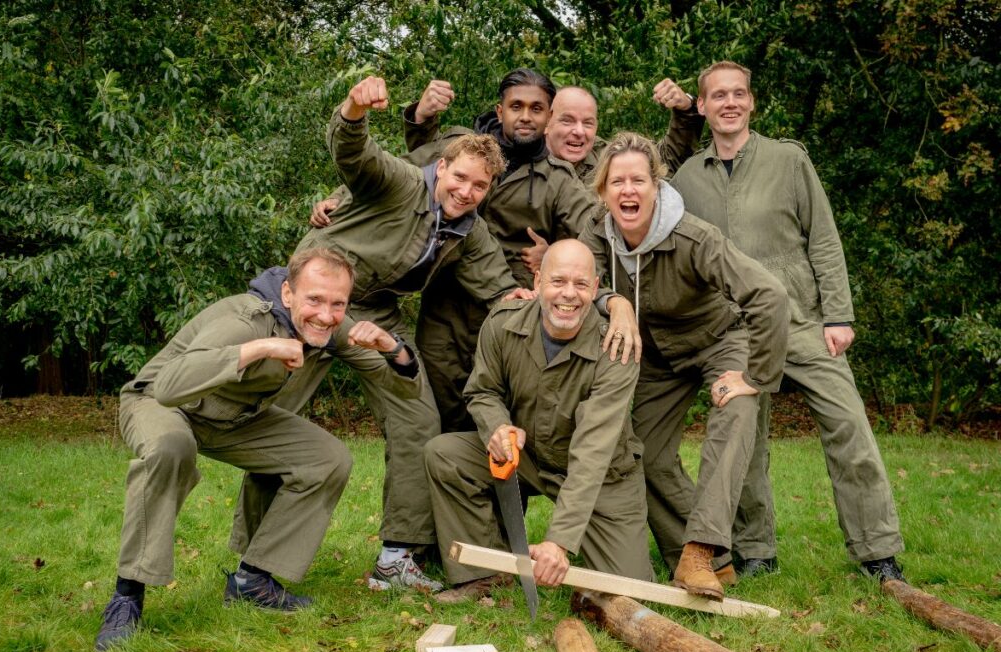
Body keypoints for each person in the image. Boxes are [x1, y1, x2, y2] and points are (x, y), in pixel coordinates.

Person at [95, 248, 423, 652]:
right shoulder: (243, 321)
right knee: (170, 447)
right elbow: (168, 386)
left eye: (338, 303)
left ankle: (254, 580)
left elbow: (405, 387)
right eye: (315, 300)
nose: (326, 314)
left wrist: (394, 348)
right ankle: (128, 596)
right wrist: (260, 348)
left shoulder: (331, 328)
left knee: (327, 459)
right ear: (288, 294)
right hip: (165, 407)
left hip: (235, 419)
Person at [670, 61, 906, 581]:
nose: (729, 103)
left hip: (802, 322)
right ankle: (756, 551)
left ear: (752, 102)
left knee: (849, 429)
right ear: (703, 107)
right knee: (745, 441)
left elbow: (823, 237)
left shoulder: (788, 159)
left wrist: (838, 314)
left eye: (739, 94)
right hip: (734, 331)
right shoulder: (688, 177)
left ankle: (876, 552)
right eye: (718, 96)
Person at [295, 76, 532, 592]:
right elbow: (356, 153)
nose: (465, 192)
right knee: (280, 407)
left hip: (372, 310)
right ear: (441, 167)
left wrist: (554, 297)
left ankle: (396, 558)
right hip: (315, 299)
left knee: (417, 413)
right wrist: (355, 108)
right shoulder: (401, 182)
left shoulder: (469, 230)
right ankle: (257, 562)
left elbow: (501, 289)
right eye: (460, 178)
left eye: (478, 187)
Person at [581, 132, 788, 600]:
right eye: (617, 182)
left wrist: (757, 377)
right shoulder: (596, 231)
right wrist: (613, 301)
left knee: (734, 413)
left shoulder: (694, 235)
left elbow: (768, 295)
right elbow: (584, 278)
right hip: (659, 356)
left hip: (720, 340)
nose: (628, 191)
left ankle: (698, 551)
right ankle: (716, 562)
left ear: (656, 186)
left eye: (638, 180)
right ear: (603, 190)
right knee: (644, 454)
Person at [425, 240, 653, 602]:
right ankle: (484, 575)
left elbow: (593, 451)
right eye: (557, 281)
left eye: (580, 284)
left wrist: (558, 542)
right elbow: (482, 391)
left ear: (595, 289)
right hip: (529, 459)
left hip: (602, 476)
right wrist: (498, 428)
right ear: (537, 282)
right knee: (445, 454)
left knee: (625, 591)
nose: (568, 294)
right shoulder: (502, 323)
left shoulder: (616, 346)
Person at [401, 70, 599, 433]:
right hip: (445, 306)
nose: (526, 116)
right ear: (500, 109)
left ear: (549, 116)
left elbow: (596, 232)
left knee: (498, 419)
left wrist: (554, 252)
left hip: (509, 312)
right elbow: (411, 173)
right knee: (435, 417)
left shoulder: (557, 179)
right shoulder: (466, 147)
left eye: (537, 108)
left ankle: (505, 491)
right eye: (516, 106)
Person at [544, 81, 702, 186]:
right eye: (567, 121)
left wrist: (686, 111)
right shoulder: (523, 163)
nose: (579, 131)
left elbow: (665, 161)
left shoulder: (607, 157)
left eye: (587, 123)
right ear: (546, 122)